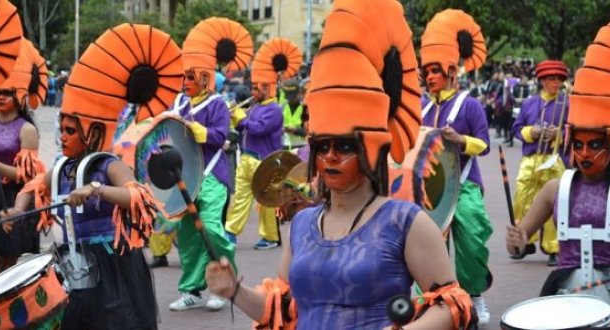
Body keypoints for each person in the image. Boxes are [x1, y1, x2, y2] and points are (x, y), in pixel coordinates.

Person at [206, 1, 476, 329]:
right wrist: (234, 290)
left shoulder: (407, 222)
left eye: (345, 146)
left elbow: (452, 304)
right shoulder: (302, 226)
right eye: (322, 147)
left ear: (370, 149)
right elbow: (283, 307)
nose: (330, 156)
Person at [2, 23, 183, 329]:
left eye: (70, 130)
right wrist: (18, 209)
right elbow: (34, 185)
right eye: (61, 129)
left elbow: (136, 195)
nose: (63, 136)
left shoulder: (106, 164)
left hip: (113, 266)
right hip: (75, 263)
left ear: (93, 132)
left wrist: (96, 189)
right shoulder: (62, 167)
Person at [506, 17, 610, 324]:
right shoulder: (555, 189)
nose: (584, 153)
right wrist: (517, 238)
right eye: (579, 144)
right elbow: (523, 236)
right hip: (565, 293)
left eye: (595, 145)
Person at [161, 17, 252, 312]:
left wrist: (200, 132)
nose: (185, 82)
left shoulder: (217, 104)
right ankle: (191, 290)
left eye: (190, 77)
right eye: (183, 77)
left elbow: (220, 136)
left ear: (204, 77)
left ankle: (224, 285)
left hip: (213, 176)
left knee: (211, 229)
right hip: (186, 178)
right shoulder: (178, 104)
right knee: (187, 236)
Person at [419, 9, 493, 324]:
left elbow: (484, 144)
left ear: (451, 71)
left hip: (465, 185)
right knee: (424, 248)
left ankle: (475, 294)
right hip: (429, 191)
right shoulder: (420, 108)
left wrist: (461, 140)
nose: (429, 77)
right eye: (426, 72)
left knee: (474, 238)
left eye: (435, 71)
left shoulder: (469, 104)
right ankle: (438, 300)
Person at [0, 38, 47, 277]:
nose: (1, 97)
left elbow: (28, 176)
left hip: (11, 200)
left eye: (7, 92)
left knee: (3, 274)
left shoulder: (27, 130)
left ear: (19, 95)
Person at [225, 38, 299, 250]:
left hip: (264, 161)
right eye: (253, 87)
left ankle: (271, 236)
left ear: (268, 87)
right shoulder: (254, 106)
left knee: (266, 201)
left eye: (257, 88)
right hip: (247, 158)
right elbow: (246, 129)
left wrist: (242, 119)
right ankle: (230, 231)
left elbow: (258, 128)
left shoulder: (274, 109)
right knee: (240, 197)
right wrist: (236, 120)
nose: (253, 92)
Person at [510, 60, 569, 265]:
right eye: (552, 79)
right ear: (542, 80)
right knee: (521, 199)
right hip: (531, 159)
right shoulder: (529, 103)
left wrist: (559, 135)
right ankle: (525, 242)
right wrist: (531, 132)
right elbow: (516, 129)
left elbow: (573, 130)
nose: (556, 82)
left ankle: (553, 247)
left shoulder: (566, 104)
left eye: (559, 79)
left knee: (556, 202)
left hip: (555, 159)